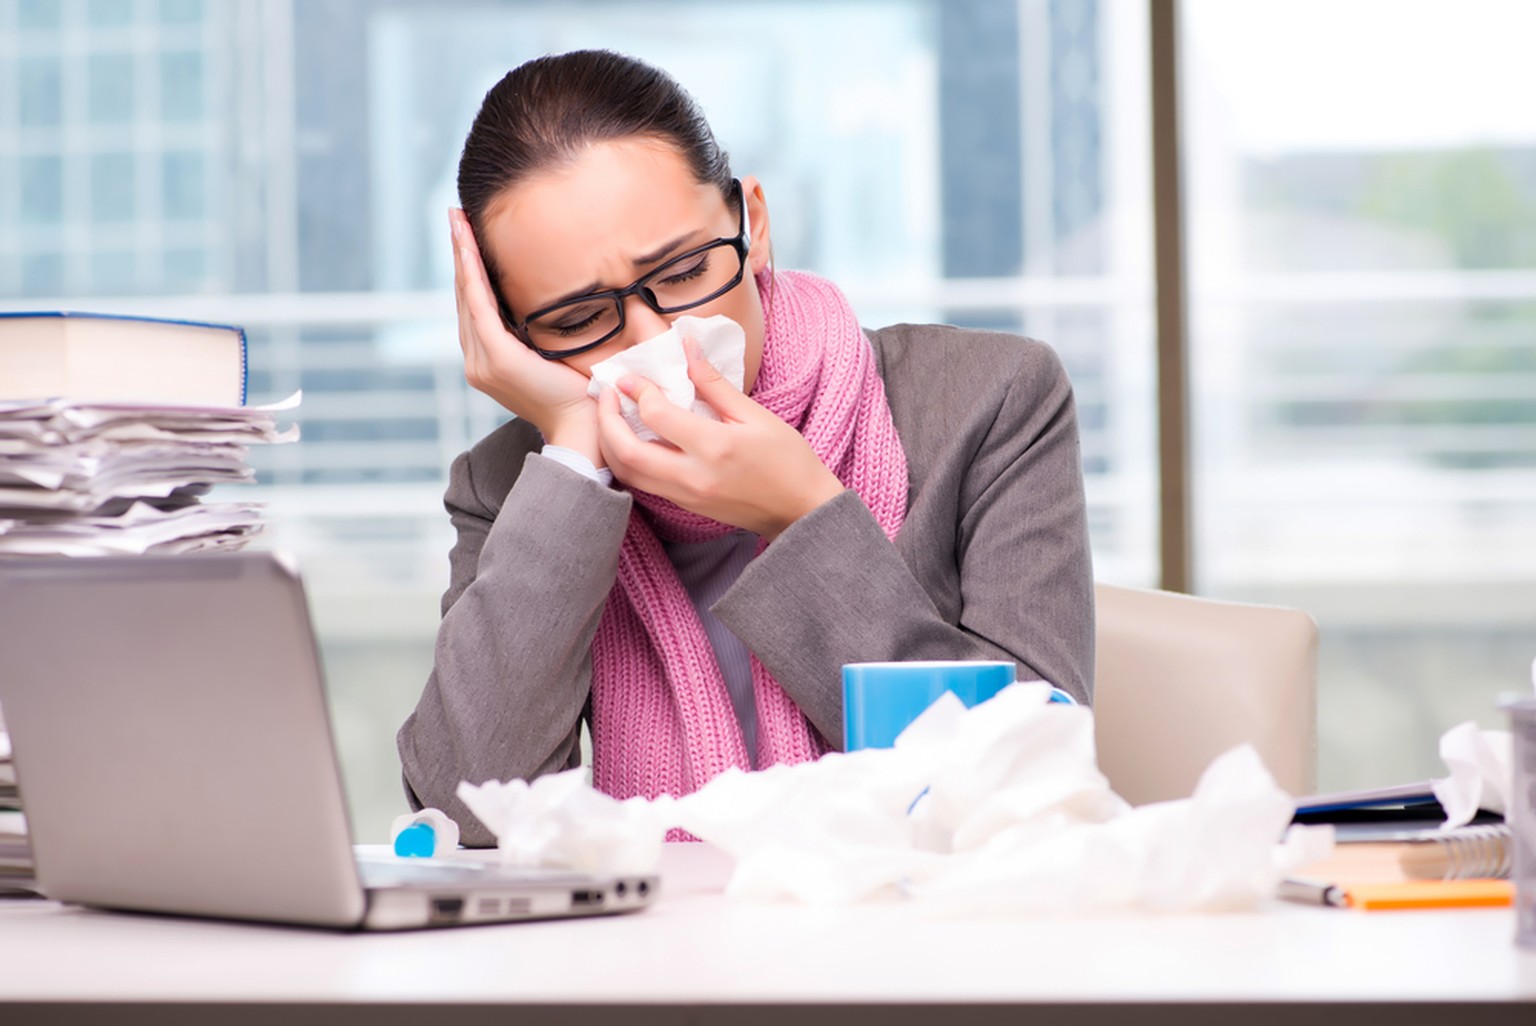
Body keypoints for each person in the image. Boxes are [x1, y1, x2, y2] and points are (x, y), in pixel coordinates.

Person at [397, 49, 1094, 844]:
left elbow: (1033, 782)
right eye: (576, 320)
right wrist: (573, 458)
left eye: (687, 269)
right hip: (655, 953)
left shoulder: (991, 399)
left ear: (753, 224)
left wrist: (801, 515)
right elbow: (463, 818)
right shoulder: (513, 486)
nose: (658, 340)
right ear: (514, 337)